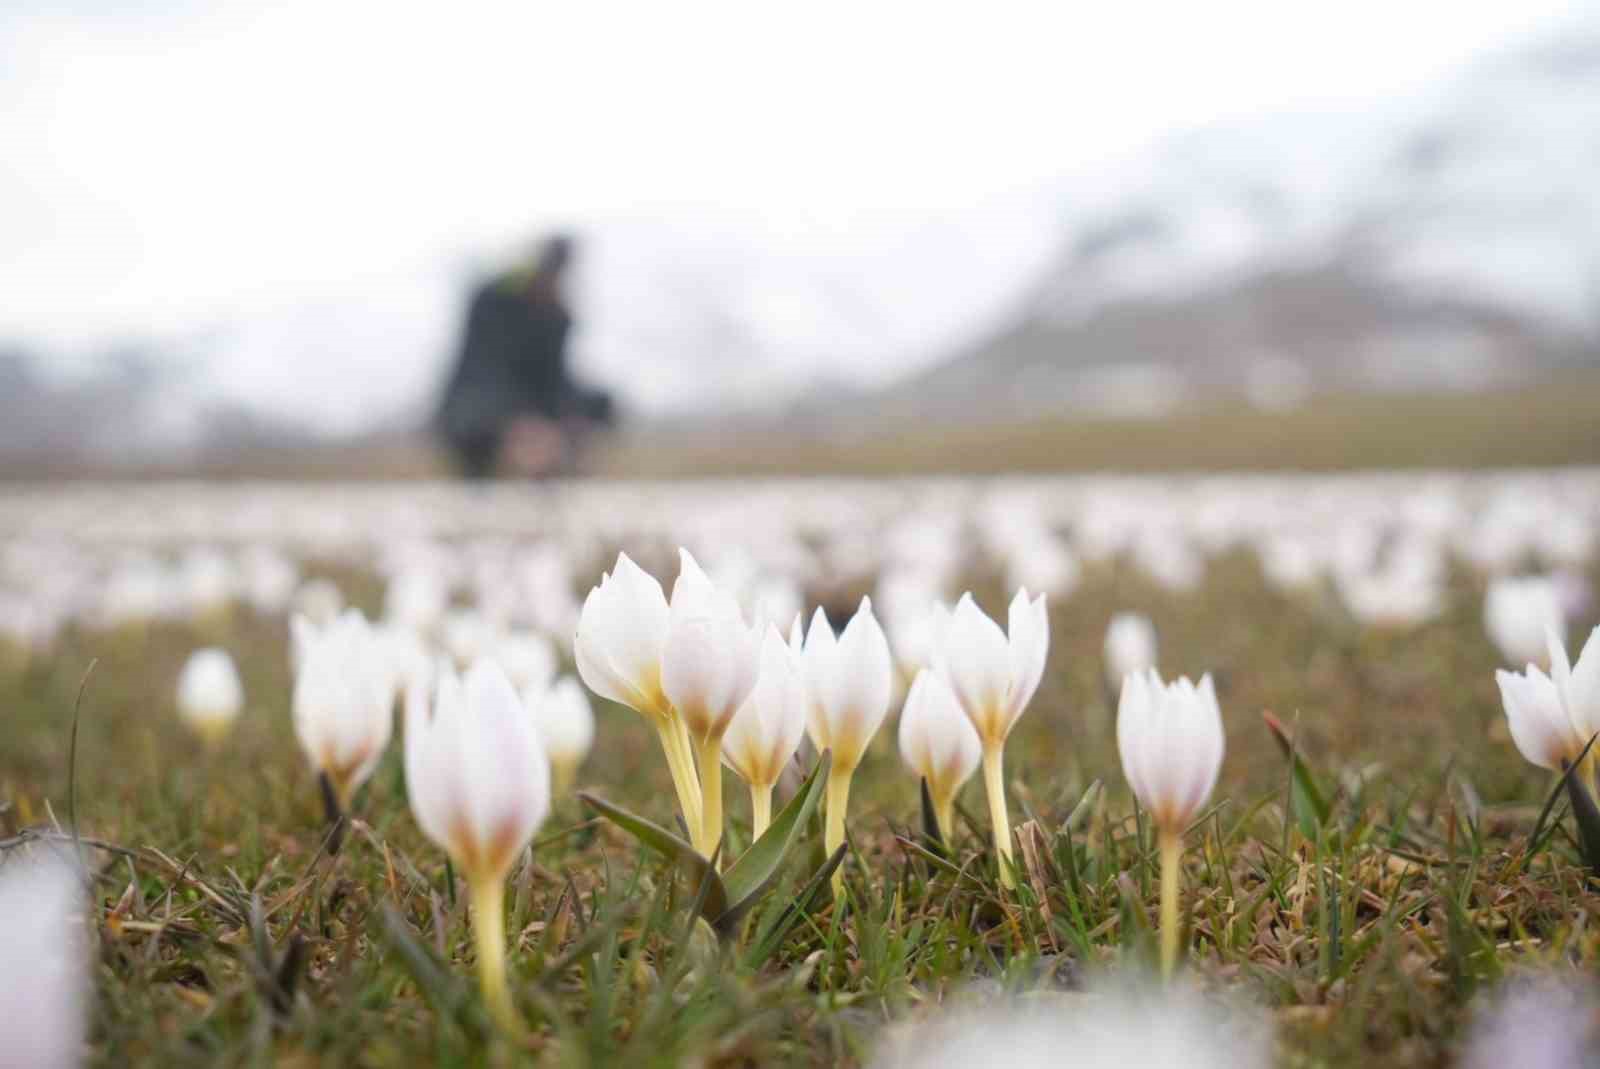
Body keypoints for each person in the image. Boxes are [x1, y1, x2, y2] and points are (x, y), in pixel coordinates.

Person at [436, 235, 613, 479]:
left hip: (537, 412)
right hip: (482, 412)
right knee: (476, 418)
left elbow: (556, 378)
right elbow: (480, 370)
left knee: (600, 403)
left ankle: (553, 459)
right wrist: (519, 422)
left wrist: (569, 419)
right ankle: (493, 468)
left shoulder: (557, 317)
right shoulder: (492, 301)